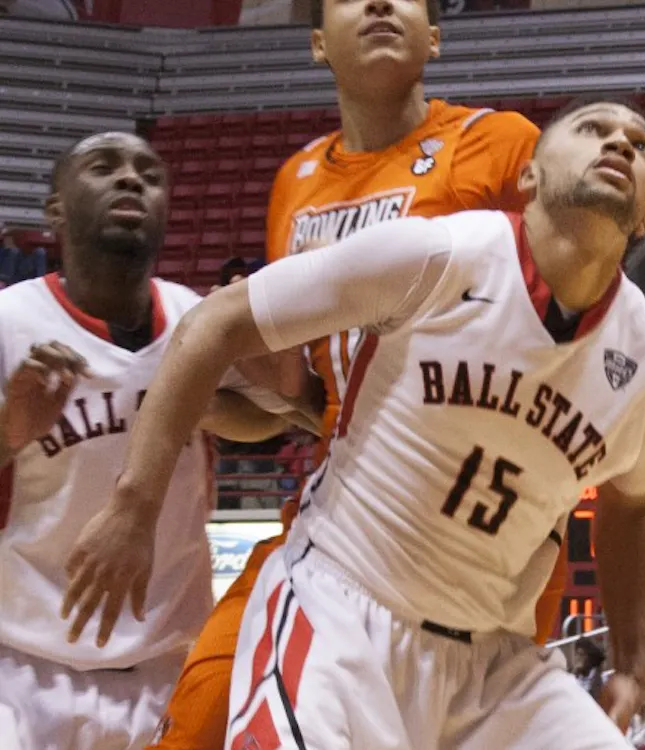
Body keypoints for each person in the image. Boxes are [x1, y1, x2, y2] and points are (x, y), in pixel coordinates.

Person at [63, 99, 645, 749]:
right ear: (528, 177)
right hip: (342, 609)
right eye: (592, 130)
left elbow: (632, 503)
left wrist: (632, 663)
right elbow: (214, 324)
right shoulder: (441, 255)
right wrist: (135, 504)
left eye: (640, 145)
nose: (619, 144)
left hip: (495, 666)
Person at [91, 0, 563, 742]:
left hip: (484, 518)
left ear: (435, 36)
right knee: (204, 714)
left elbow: (567, 324)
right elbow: (315, 403)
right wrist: (273, 392)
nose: (377, 3)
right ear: (316, 43)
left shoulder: (502, 144)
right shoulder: (297, 182)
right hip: (339, 505)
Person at [0, 133, 303, 750]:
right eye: (103, 168)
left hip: (171, 668)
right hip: (22, 672)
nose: (131, 180)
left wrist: (207, 406)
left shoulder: (198, 319)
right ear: (56, 208)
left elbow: (262, 419)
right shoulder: (9, 322)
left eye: (150, 173)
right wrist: (9, 432)